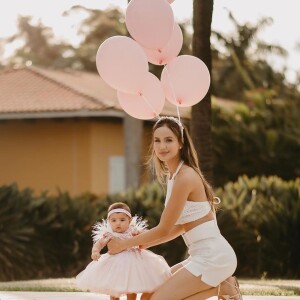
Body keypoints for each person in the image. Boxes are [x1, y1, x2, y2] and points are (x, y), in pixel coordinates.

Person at [108, 116, 243, 300]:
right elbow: (180, 227)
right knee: (146, 296)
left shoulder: (185, 177)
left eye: (168, 140)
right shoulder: (173, 176)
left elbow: (163, 228)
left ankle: (223, 289)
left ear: (181, 142)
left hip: (213, 257)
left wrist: (123, 244)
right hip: (198, 256)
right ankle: (223, 288)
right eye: (157, 140)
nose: (162, 146)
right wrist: (143, 243)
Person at [76, 202, 171, 300]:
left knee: (132, 285)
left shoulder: (132, 231)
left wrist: (138, 233)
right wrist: (95, 252)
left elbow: (145, 237)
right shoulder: (109, 234)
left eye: (122, 220)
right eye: (114, 220)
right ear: (109, 222)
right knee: (113, 286)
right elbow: (99, 243)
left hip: (134, 261)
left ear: (129, 221)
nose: (118, 223)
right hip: (115, 263)